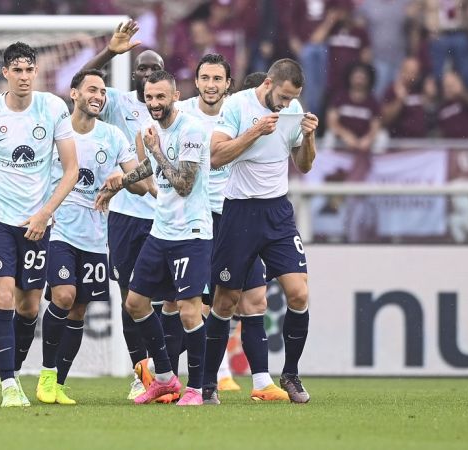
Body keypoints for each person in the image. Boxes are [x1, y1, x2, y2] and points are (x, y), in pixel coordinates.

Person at [0, 42, 79, 408]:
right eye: (17, 71)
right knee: (4, 295)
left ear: (36, 72)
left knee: (28, 307)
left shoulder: (53, 108)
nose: (24, 77)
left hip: (36, 221)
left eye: (29, 70)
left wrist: (45, 213)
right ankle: (8, 383)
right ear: (5, 73)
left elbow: (71, 169)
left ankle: (14, 367)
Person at [36, 68, 152, 405]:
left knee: (78, 310)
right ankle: (46, 375)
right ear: (74, 93)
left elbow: (142, 186)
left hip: (95, 235)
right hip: (59, 229)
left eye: (102, 91)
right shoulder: (56, 131)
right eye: (91, 89)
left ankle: (58, 384)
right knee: (63, 296)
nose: (99, 96)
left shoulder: (112, 136)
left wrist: (121, 181)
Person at [96, 70, 211, 406]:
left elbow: (184, 184)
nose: (155, 103)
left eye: (161, 97)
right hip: (161, 231)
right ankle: (163, 377)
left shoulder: (191, 129)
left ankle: (197, 388)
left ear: (175, 96)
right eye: (149, 97)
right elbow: (152, 169)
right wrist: (120, 183)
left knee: (189, 311)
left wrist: (156, 150)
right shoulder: (154, 128)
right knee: (134, 302)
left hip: (191, 232)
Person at [209, 58, 319, 404]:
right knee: (225, 301)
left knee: (299, 293)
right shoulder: (237, 106)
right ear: (268, 84)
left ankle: (291, 374)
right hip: (240, 211)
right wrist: (255, 131)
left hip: (278, 212)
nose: (286, 105)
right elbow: (216, 156)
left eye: (292, 99)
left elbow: (303, 165)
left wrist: (309, 137)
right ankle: (208, 382)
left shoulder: (293, 110)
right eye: (283, 97)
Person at [175, 55, 281, 405]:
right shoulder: (182, 114)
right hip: (200, 221)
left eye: (217, 79)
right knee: (203, 305)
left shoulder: (239, 111)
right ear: (196, 81)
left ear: (227, 83)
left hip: (238, 216)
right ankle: (191, 377)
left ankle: (262, 381)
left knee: (255, 300)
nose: (211, 85)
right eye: (205, 78)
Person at [82, 19, 163, 400]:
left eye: (153, 68)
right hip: (127, 216)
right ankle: (140, 373)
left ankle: (167, 371)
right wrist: (110, 52)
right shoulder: (117, 102)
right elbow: (80, 83)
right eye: (141, 68)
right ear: (134, 74)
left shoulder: (175, 110)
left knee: (171, 299)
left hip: (165, 214)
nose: (146, 74)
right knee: (130, 296)